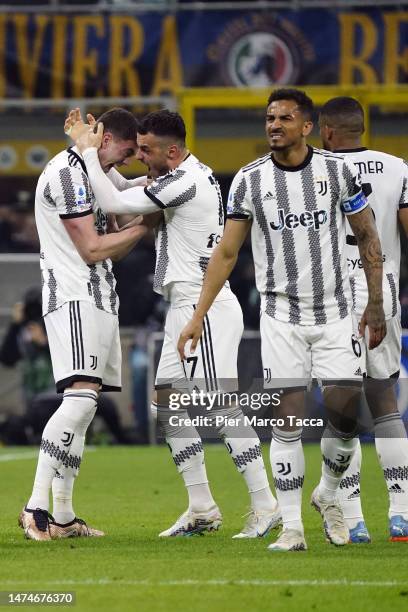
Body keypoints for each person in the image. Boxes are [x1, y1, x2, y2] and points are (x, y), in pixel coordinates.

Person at [178, 88, 386, 552]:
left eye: (284, 118)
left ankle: (328, 495)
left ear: (307, 126)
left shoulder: (337, 171)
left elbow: (368, 235)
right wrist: (197, 316)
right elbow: (227, 252)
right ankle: (292, 527)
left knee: (345, 418)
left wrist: (375, 303)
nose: (274, 125)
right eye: (269, 118)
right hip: (279, 315)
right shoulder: (248, 181)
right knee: (287, 420)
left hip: (336, 312)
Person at [69, 108, 281, 539]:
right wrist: (98, 155)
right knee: (166, 406)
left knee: (222, 405)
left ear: (171, 149)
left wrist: (88, 152)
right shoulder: (180, 175)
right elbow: (125, 186)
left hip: (205, 306)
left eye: (146, 150)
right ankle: (202, 506)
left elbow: (111, 202)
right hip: (183, 306)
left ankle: (266, 504)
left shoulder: (184, 183)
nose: (141, 157)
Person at [20, 108, 149, 541]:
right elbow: (94, 249)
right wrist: (145, 227)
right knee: (79, 403)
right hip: (73, 295)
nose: (127, 161)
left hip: (99, 298)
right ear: (106, 138)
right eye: (126, 151)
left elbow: (120, 216)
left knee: (86, 407)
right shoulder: (67, 174)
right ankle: (35, 507)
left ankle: (63, 517)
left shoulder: (95, 171)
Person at [319, 96, 408, 543]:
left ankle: (352, 518)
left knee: (341, 402)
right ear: (362, 127)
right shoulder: (398, 168)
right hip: (381, 287)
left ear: (327, 131)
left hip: (332, 293)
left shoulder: (315, 169)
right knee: (384, 397)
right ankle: (401, 511)